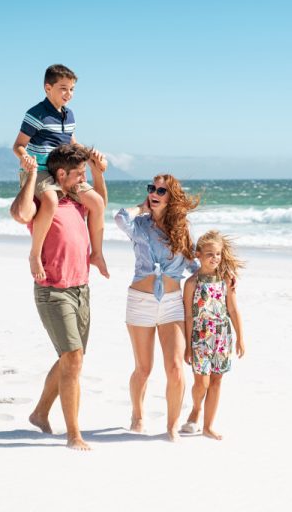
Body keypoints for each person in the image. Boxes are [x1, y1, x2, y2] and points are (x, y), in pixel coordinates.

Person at [11, 143, 108, 451]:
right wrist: (30, 177)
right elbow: (20, 213)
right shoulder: (44, 202)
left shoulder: (75, 200)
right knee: (73, 359)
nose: (83, 180)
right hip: (53, 290)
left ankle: (40, 413)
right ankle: (74, 435)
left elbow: (100, 204)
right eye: (78, 174)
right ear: (61, 174)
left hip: (81, 288)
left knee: (71, 359)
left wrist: (96, 172)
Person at [114, 175, 200, 441]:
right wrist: (141, 207)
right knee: (144, 368)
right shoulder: (138, 224)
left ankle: (172, 426)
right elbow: (119, 218)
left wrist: (218, 277)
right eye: (151, 188)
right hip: (140, 302)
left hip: (173, 303)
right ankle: (138, 415)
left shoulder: (183, 228)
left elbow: (192, 265)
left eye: (161, 190)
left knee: (175, 366)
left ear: (171, 196)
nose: (154, 193)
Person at [10, 63, 109, 281]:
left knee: (97, 202)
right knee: (51, 200)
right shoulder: (35, 114)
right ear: (48, 88)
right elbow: (18, 145)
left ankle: (97, 254)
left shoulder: (69, 115)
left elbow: (70, 142)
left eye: (72, 89)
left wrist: (92, 156)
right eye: (63, 88)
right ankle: (35, 255)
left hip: (64, 171)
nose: (69, 94)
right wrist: (25, 157)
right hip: (41, 170)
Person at [180, 231, 245, 440]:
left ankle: (208, 426)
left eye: (217, 254)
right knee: (202, 383)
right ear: (198, 254)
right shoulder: (191, 283)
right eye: (209, 254)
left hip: (222, 337)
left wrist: (240, 337)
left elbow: (233, 311)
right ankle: (196, 408)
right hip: (200, 337)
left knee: (216, 382)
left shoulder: (226, 280)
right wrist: (188, 346)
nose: (214, 258)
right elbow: (188, 315)